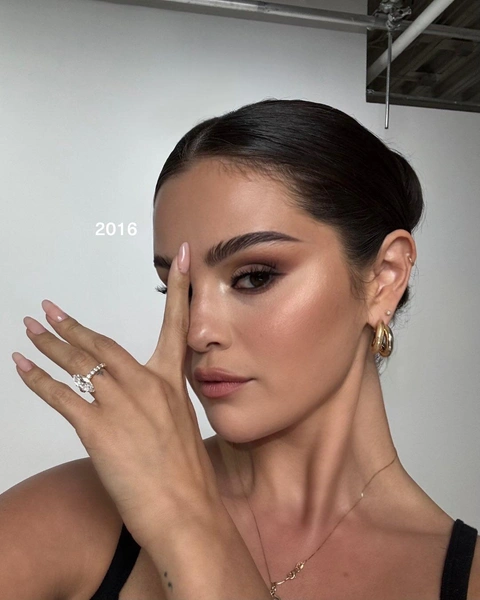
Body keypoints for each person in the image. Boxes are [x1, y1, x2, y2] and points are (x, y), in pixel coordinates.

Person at [2, 98, 479, 600]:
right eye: (179, 289)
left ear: (384, 278)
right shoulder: (70, 514)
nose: (197, 331)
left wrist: (187, 526)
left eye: (254, 277)